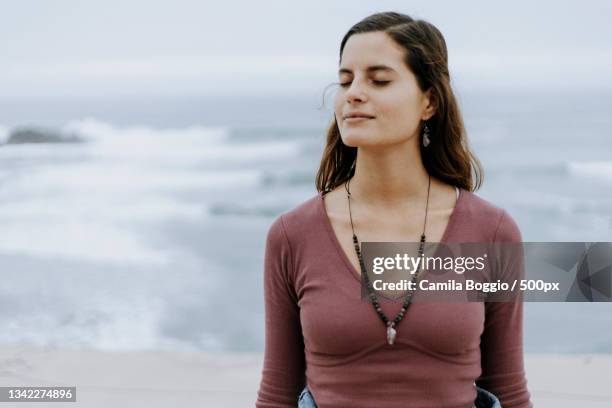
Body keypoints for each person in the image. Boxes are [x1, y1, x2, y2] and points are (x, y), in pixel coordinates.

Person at [256, 11, 533, 408]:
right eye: (345, 79)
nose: (353, 93)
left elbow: (508, 388)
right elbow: (277, 394)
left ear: (429, 101)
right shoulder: (291, 234)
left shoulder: (493, 231)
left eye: (379, 80)